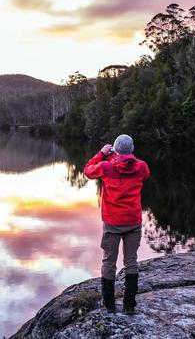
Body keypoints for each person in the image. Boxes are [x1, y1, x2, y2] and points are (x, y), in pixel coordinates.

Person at [83, 134, 150, 315]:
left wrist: (102, 153)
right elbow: (141, 172)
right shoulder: (141, 166)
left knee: (109, 261)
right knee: (131, 262)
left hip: (112, 222)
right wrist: (126, 156)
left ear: (115, 150)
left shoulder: (106, 167)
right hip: (133, 222)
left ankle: (110, 305)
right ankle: (129, 305)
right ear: (132, 150)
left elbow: (88, 171)